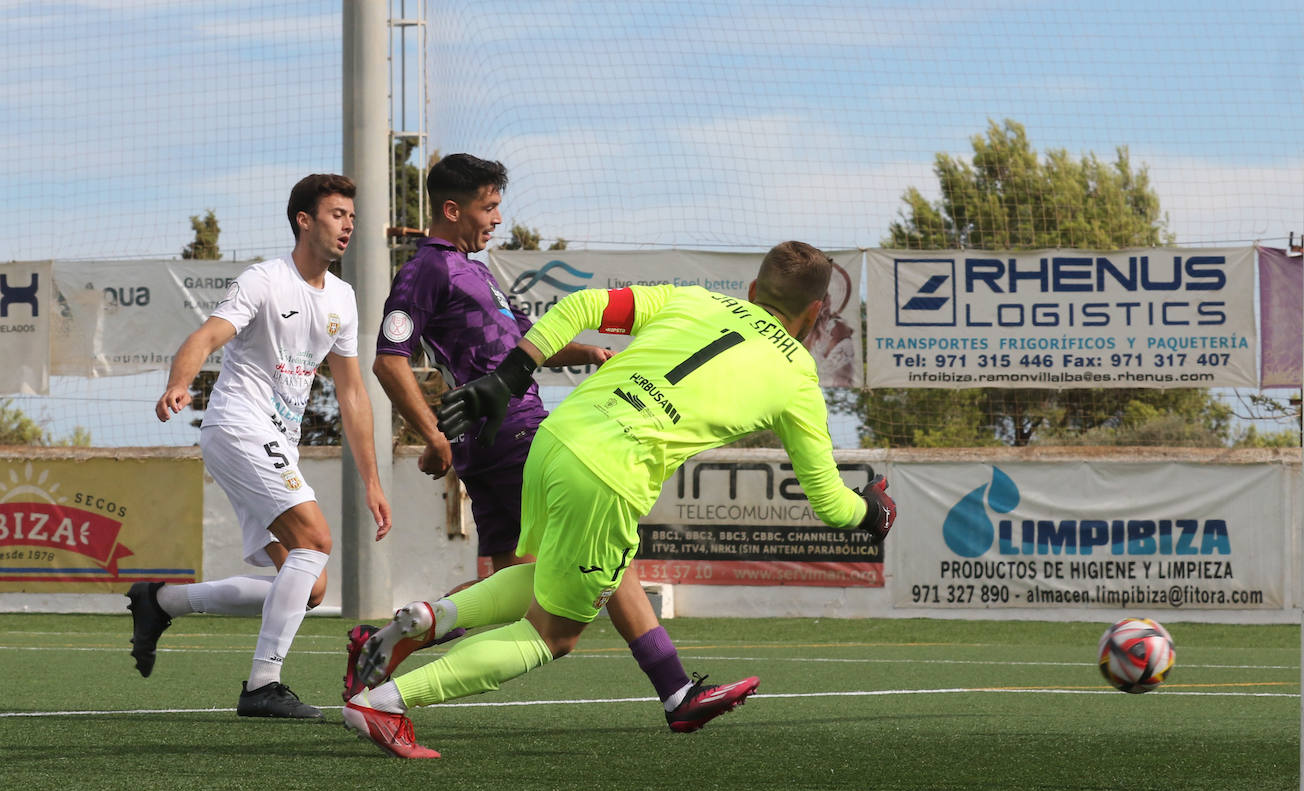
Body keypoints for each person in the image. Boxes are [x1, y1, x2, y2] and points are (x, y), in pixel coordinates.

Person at [342, 240, 896, 757]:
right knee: (552, 635)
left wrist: (510, 376)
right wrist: (872, 510)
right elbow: (829, 503)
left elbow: (580, 305)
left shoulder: (696, 300)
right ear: (818, 312)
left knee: (549, 576)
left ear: (753, 291)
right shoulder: (798, 377)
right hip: (609, 471)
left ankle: (428, 618)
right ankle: (384, 705)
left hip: (557, 438)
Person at [348, 153, 754, 735]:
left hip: (487, 446)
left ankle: (407, 630)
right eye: (488, 208)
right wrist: (432, 434)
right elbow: (389, 362)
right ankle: (676, 690)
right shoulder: (428, 271)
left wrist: (583, 352)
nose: (496, 220)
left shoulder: (473, 268)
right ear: (451, 209)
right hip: (516, 431)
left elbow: (516, 348)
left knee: (519, 586)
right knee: (602, 563)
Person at [126, 173, 392, 720]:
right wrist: (179, 382)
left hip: (276, 443)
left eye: (351, 215)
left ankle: (159, 601)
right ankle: (262, 685)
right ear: (305, 220)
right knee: (315, 538)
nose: (348, 224)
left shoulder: (342, 297)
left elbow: (352, 393)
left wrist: (371, 480)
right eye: (337, 214)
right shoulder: (264, 280)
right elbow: (205, 337)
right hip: (239, 426)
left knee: (310, 583)